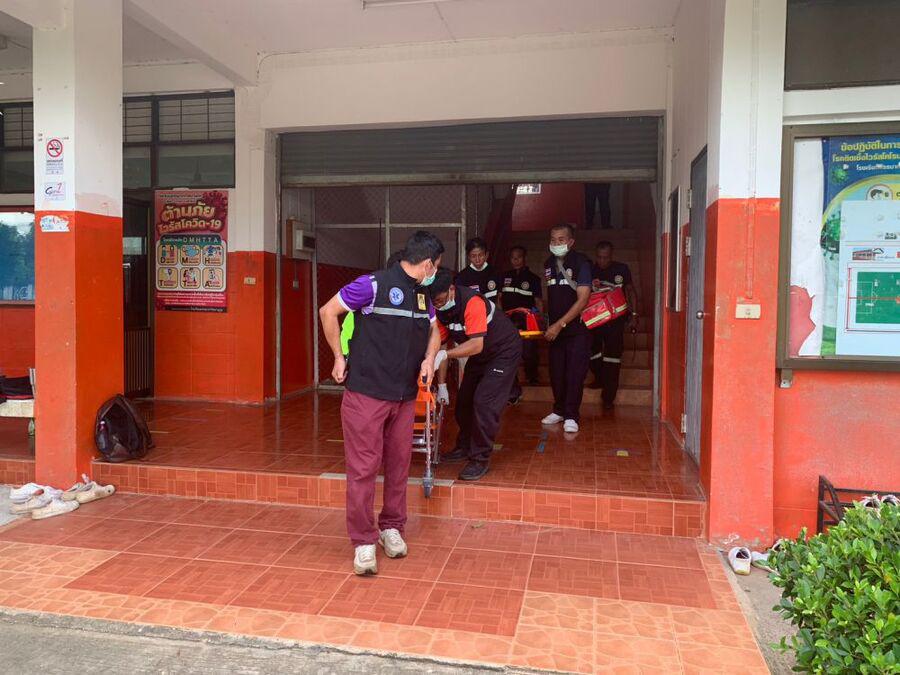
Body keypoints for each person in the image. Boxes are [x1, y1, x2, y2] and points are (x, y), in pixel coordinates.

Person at [318, 232, 444, 576]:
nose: (435, 272)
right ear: (427, 264)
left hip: (404, 396)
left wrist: (429, 358)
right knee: (363, 469)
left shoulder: (423, 295)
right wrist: (338, 356)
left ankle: (392, 527)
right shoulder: (372, 285)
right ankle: (362, 540)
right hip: (366, 395)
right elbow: (328, 311)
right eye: (436, 266)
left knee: (399, 465)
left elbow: (435, 330)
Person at [430, 269, 521, 481]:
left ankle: (480, 458)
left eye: (440, 300)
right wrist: (441, 385)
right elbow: (439, 343)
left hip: (503, 351)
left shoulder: (472, 302)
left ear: (451, 289)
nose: (438, 305)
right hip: (481, 355)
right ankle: (464, 446)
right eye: (434, 302)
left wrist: (446, 354)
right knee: (464, 402)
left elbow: (476, 344)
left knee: (484, 402)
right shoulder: (440, 310)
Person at [541, 223, 592, 434]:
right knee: (556, 373)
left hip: (576, 330)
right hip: (555, 330)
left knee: (574, 374)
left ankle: (571, 415)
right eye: (553, 240)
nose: (556, 243)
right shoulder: (548, 263)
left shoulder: (581, 263)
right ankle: (559, 410)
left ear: (571, 242)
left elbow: (583, 299)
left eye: (561, 240)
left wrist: (560, 324)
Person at [589, 241, 639, 409]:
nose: (602, 261)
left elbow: (630, 291)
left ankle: (608, 397)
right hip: (595, 319)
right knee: (592, 352)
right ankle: (599, 377)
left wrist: (634, 315)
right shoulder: (590, 270)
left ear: (612, 255)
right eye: (599, 257)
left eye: (606, 257)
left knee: (612, 356)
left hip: (616, 320)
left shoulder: (621, 269)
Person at [499, 245, 543, 402]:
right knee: (509, 353)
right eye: (513, 258)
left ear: (524, 258)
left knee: (529, 351)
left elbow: (538, 301)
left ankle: (532, 376)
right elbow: (499, 299)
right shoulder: (504, 277)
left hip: (527, 320)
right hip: (508, 320)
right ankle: (513, 385)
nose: (515, 260)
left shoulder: (533, 279)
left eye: (518, 257)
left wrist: (540, 320)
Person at [455, 237, 500, 301]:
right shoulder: (462, 276)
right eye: (473, 256)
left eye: (480, 255)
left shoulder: (495, 272)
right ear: (469, 257)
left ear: (486, 255)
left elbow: (499, 298)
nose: (477, 259)